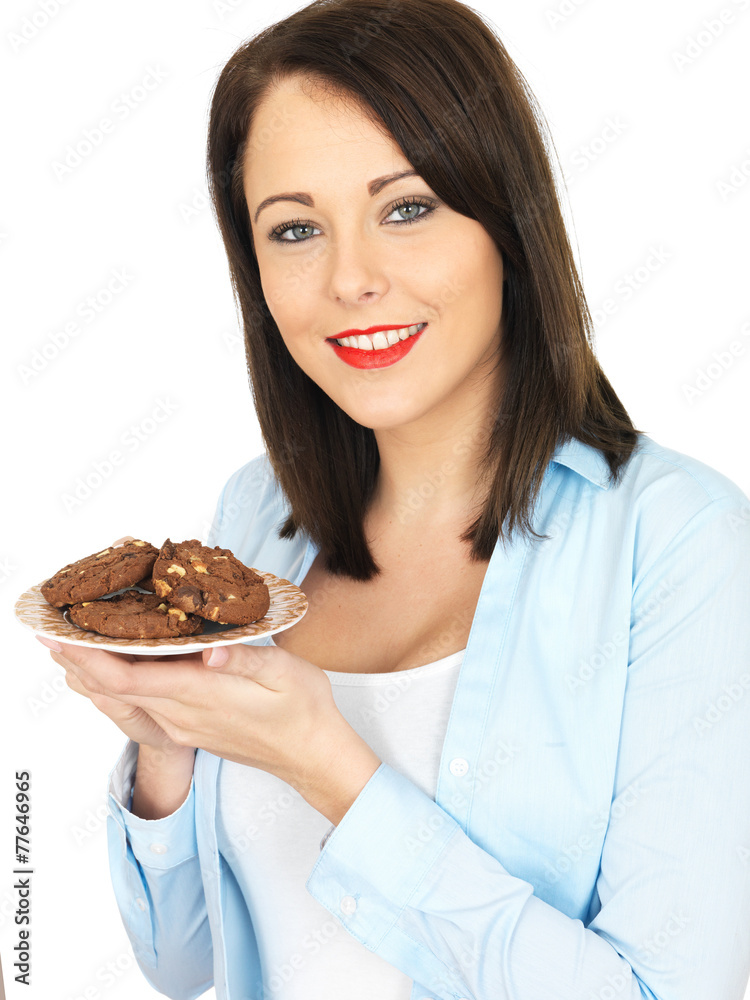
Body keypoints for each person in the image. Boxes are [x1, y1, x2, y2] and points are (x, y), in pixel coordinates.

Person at [35, 0, 750, 997]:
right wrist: (165, 754)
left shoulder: (683, 547)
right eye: (295, 229)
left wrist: (327, 765)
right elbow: (185, 958)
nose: (350, 279)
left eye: (406, 208)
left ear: (506, 217)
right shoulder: (259, 518)